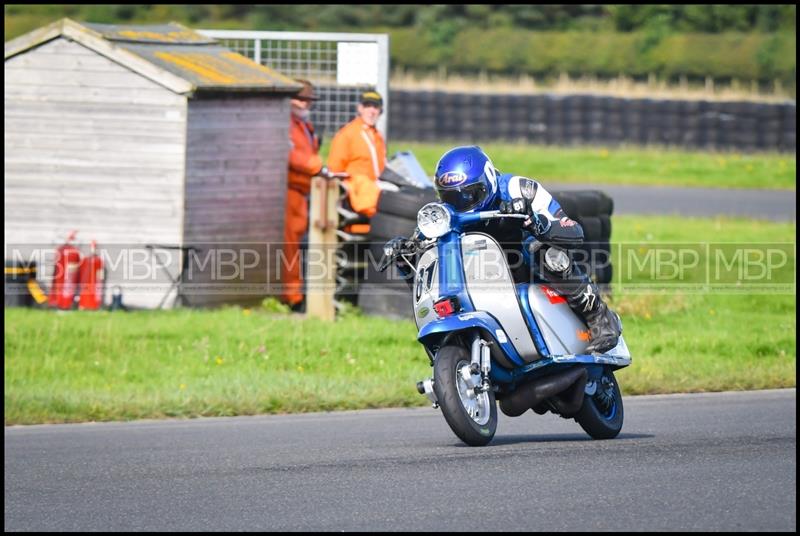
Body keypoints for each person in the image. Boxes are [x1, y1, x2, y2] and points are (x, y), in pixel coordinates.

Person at [431, 145, 622, 353]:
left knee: (544, 251)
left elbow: (573, 231)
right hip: (476, 269)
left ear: (488, 181)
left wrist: (537, 223)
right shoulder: (443, 212)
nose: (462, 204)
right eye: (451, 198)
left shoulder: (519, 188)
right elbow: (423, 237)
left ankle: (599, 317)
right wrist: (406, 248)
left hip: (523, 263)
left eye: (470, 195)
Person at [282, 79, 346, 311]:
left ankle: (298, 293)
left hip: (304, 191)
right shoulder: (286, 124)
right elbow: (290, 155)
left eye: (308, 100)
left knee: (299, 245)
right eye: (300, 99)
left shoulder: (303, 125)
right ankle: (292, 298)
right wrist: (317, 167)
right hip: (290, 191)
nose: (305, 103)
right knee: (290, 246)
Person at [327, 90, 387, 233]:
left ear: (380, 111)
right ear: (360, 108)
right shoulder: (347, 134)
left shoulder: (377, 136)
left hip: (375, 192)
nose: (371, 111)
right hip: (358, 196)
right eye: (367, 106)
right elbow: (334, 170)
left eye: (375, 107)